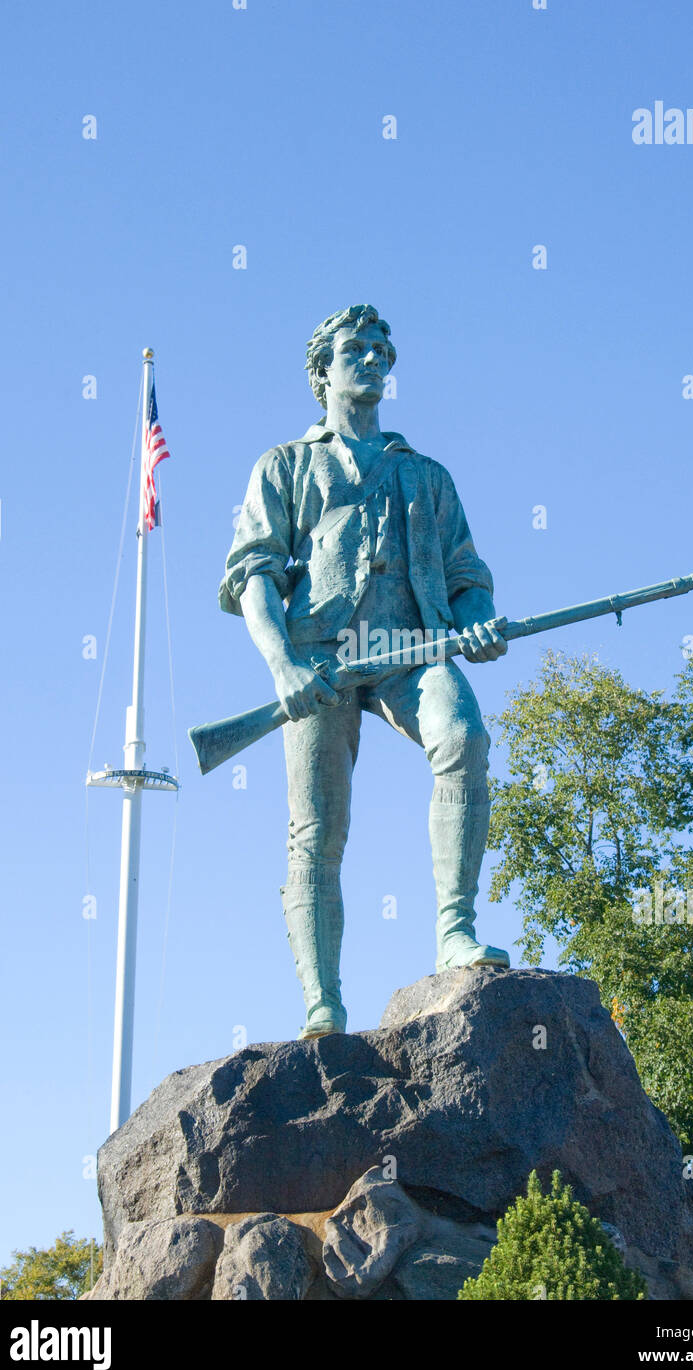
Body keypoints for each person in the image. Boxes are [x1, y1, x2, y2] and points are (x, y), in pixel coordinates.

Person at [220, 305, 510, 1038]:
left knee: (465, 737)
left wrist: (477, 616)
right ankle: (322, 1002)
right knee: (316, 830)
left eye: (383, 347)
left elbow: (466, 572)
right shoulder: (283, 465)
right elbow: (252, 572)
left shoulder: (425, 474)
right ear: (322, 371)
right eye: (356, 348)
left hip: (413, 648)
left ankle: (455, 930)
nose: (374, 358)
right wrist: (282, 662)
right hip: (318, 662)